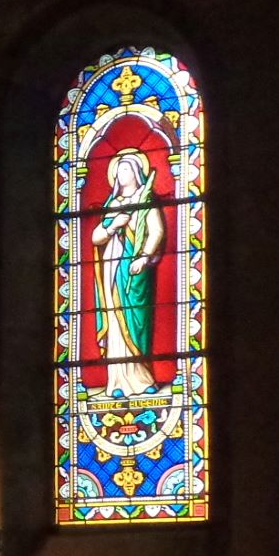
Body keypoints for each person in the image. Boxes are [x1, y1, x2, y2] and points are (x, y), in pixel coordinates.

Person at [92, 148, 165, 396]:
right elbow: (96, 237)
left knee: (137, 321)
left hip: (136, 270)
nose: (120, 174)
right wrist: (114, 225)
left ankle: (142, 379)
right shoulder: (113, 204)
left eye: (125, 169)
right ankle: (117, 383)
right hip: (113, 267)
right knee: (115, 320)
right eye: (119, 169)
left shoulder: (146, 200)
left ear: (136, 172)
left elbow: (156, 231)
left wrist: (144, 256)